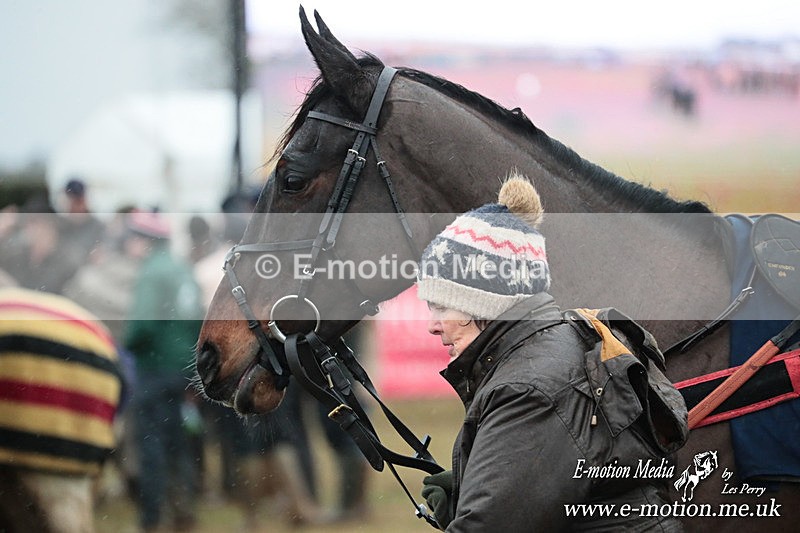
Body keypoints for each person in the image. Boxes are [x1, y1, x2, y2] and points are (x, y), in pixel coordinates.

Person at [416, 174, 689, 531]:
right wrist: (479, 485)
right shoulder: (563, 341)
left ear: (483, 303)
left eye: (441, 307)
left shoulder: (528, 389)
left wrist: (476, 507)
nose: (432, 325)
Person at [122, 210, 204, 532]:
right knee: (178, 445)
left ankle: (151, 520)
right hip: (182, 368)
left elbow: (141, 325)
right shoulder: (182, 267)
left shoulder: (151, 272)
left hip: (153, 369)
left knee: (151, 446)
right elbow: (198, 320)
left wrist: (126, 348)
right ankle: (183, 513)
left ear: (144, 241)